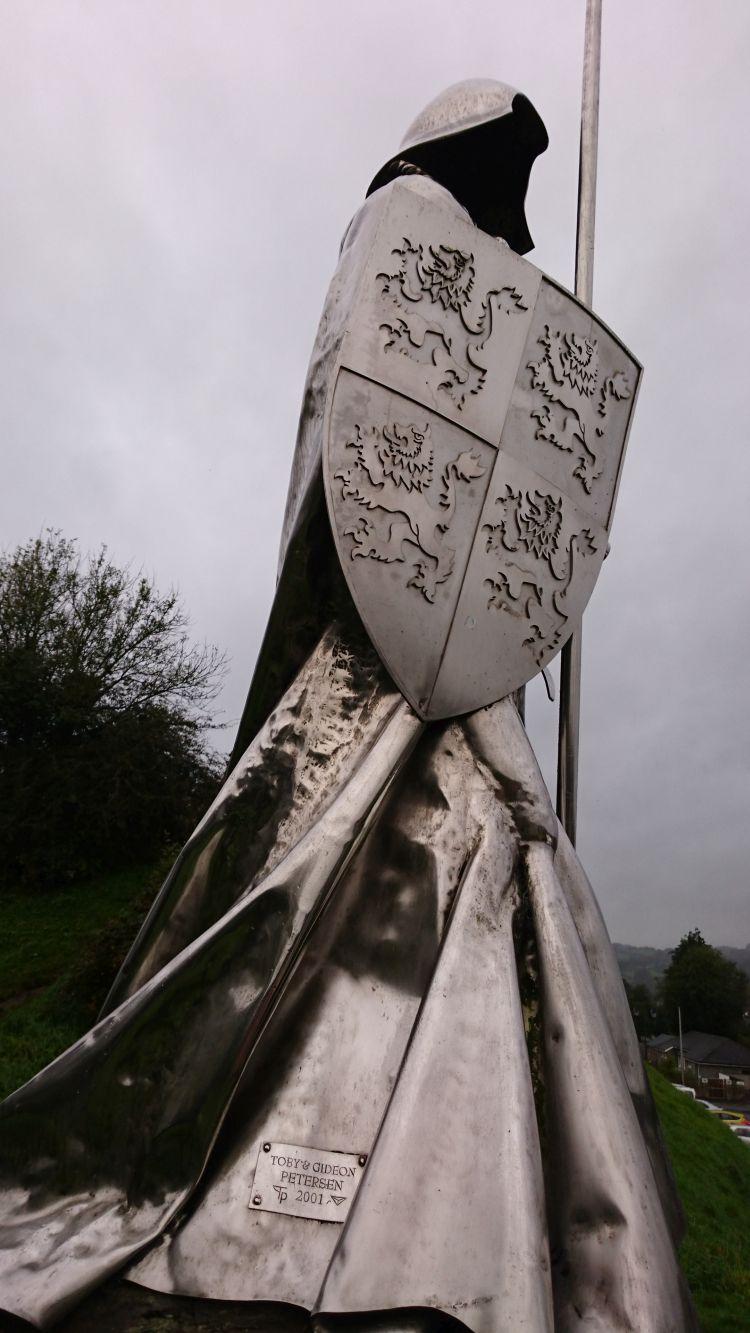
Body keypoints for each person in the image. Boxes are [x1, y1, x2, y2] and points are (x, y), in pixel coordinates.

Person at [0, 81, 697, 1332]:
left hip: (452, 670)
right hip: (379, 661)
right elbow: (356, 450)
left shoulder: (463, 262)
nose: (521, 219)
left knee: (478, 898)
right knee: (354, 913)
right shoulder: (399, 235)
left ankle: (458, 1210)